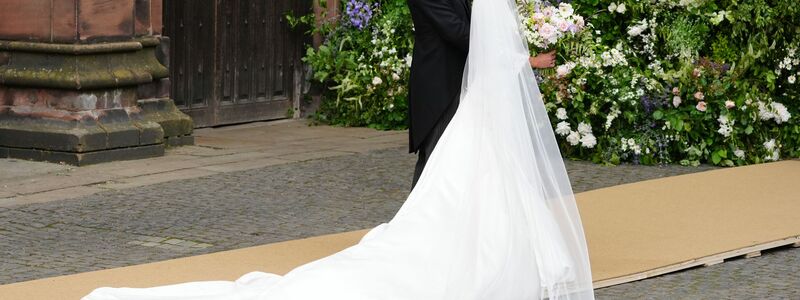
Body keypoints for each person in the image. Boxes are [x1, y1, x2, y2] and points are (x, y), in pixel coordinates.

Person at [83, 0, 593, 298]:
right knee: (445, 181)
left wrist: (523, 36)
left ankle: (498, 245)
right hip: (445, 87)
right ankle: (443, 249)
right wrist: (518, 49)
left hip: (479, 92)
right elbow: (456, 29)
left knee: (477, 175)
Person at [407, 0, 556, 188]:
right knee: (436, 159)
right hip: (440, 89)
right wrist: (519, 58)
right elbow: (458, 32)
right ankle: (422, 216)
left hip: (464, 83)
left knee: (459, 159)